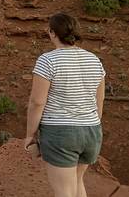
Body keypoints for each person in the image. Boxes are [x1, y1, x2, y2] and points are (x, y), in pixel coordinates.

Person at [25, 13, 106, 197]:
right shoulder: (94, 60)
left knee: (64, 192)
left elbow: (37, 102)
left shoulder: (47, 61)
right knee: (77, 183)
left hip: (61, 133)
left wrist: (30, 135)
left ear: (53, 33)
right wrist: (91, 124)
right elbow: (99, 99)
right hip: (91, 131)